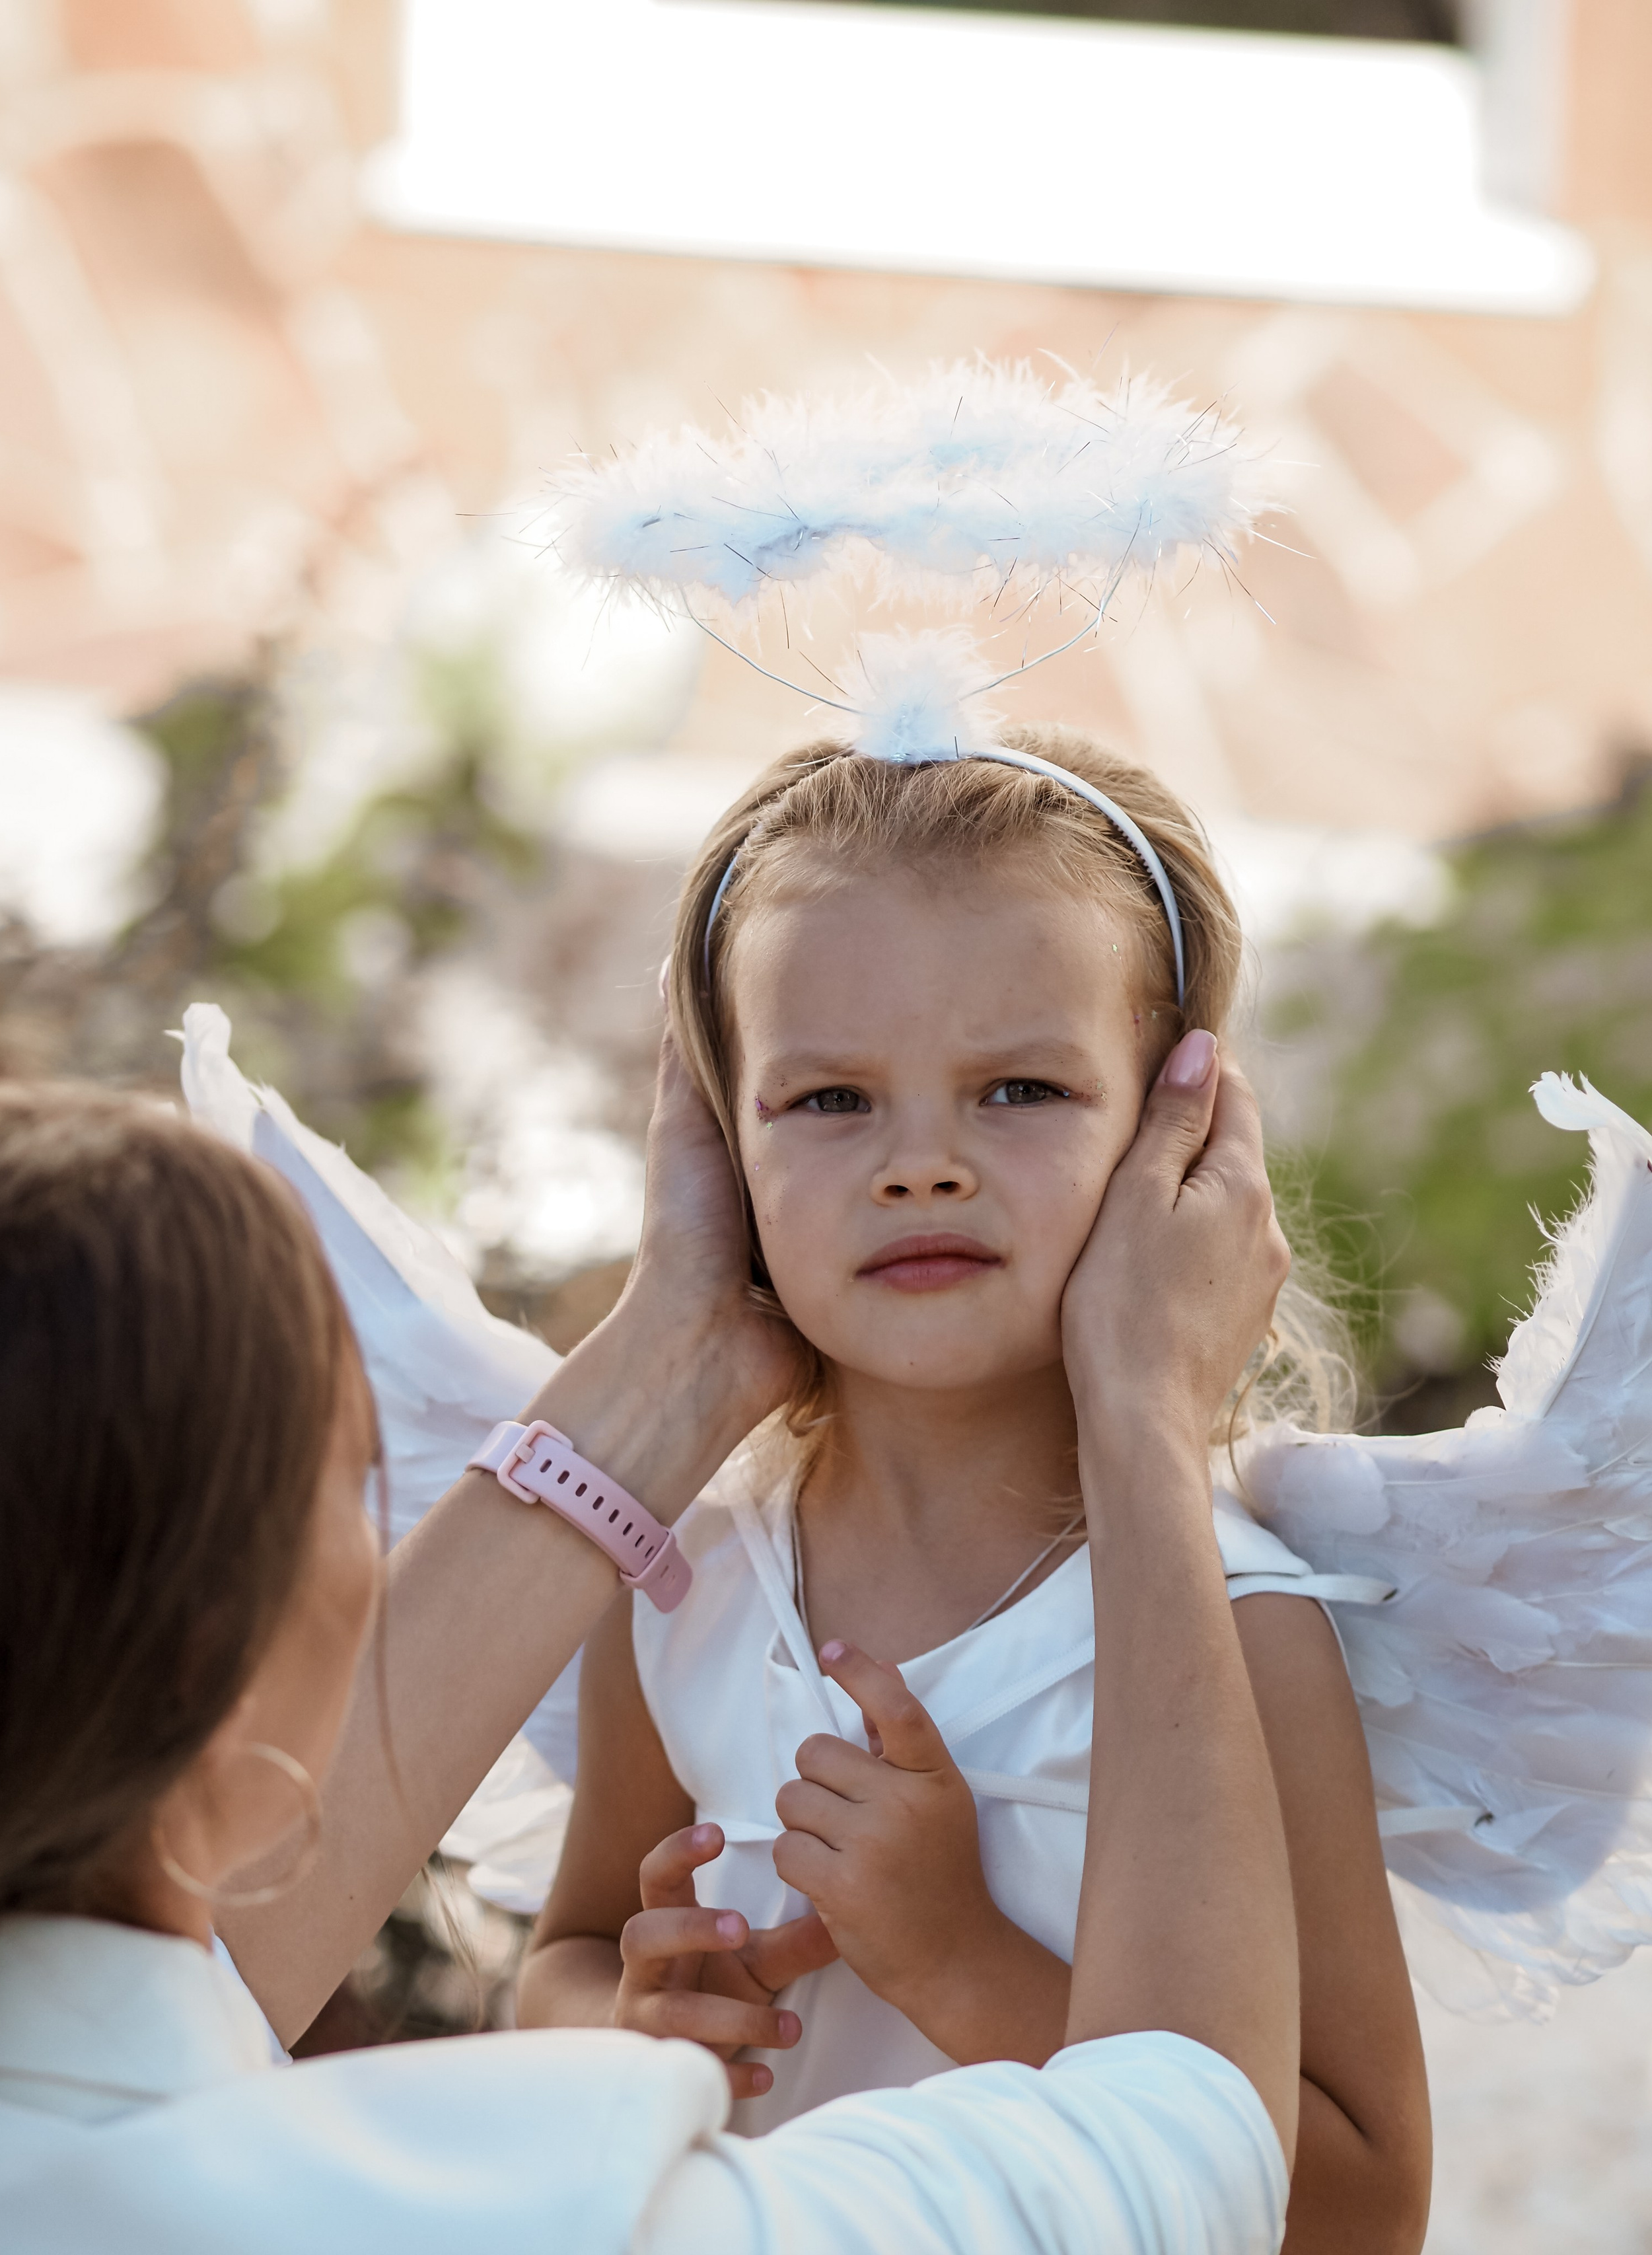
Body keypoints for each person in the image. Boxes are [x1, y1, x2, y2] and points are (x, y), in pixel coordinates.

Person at [0, 1039, 1297, 2252]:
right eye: (355, 1486)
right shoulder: (547, 2211)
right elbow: (1191, 2138)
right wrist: (1142, 1407)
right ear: (216, 1660)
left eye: (1023, 1088)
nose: (920, 1163)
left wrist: (687, 1346)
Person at [514, 733, 1430, 2254]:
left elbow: (1365, 2205)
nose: (922, 1165)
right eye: (829, 1099)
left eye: (1018, 1088)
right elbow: (565, 1950)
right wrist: (627, 2027)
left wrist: (956, 1963)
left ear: (1176, 1134)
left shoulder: (1235, 1629)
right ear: (720, 1142)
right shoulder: (676, 1581)